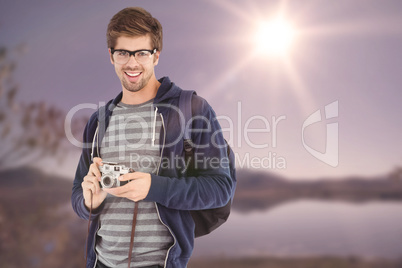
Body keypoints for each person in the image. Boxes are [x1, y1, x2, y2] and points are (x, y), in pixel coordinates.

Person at [71, 6, 235, 268]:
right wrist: (88, 201)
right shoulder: (99, 121)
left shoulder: (192, 109)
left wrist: (153, 188)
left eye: (142, 53)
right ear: (111, 56)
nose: (132, 63)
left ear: (156, 56)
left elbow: (220, 189)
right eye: (123, 52)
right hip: (99, 262)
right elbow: (78, 195)